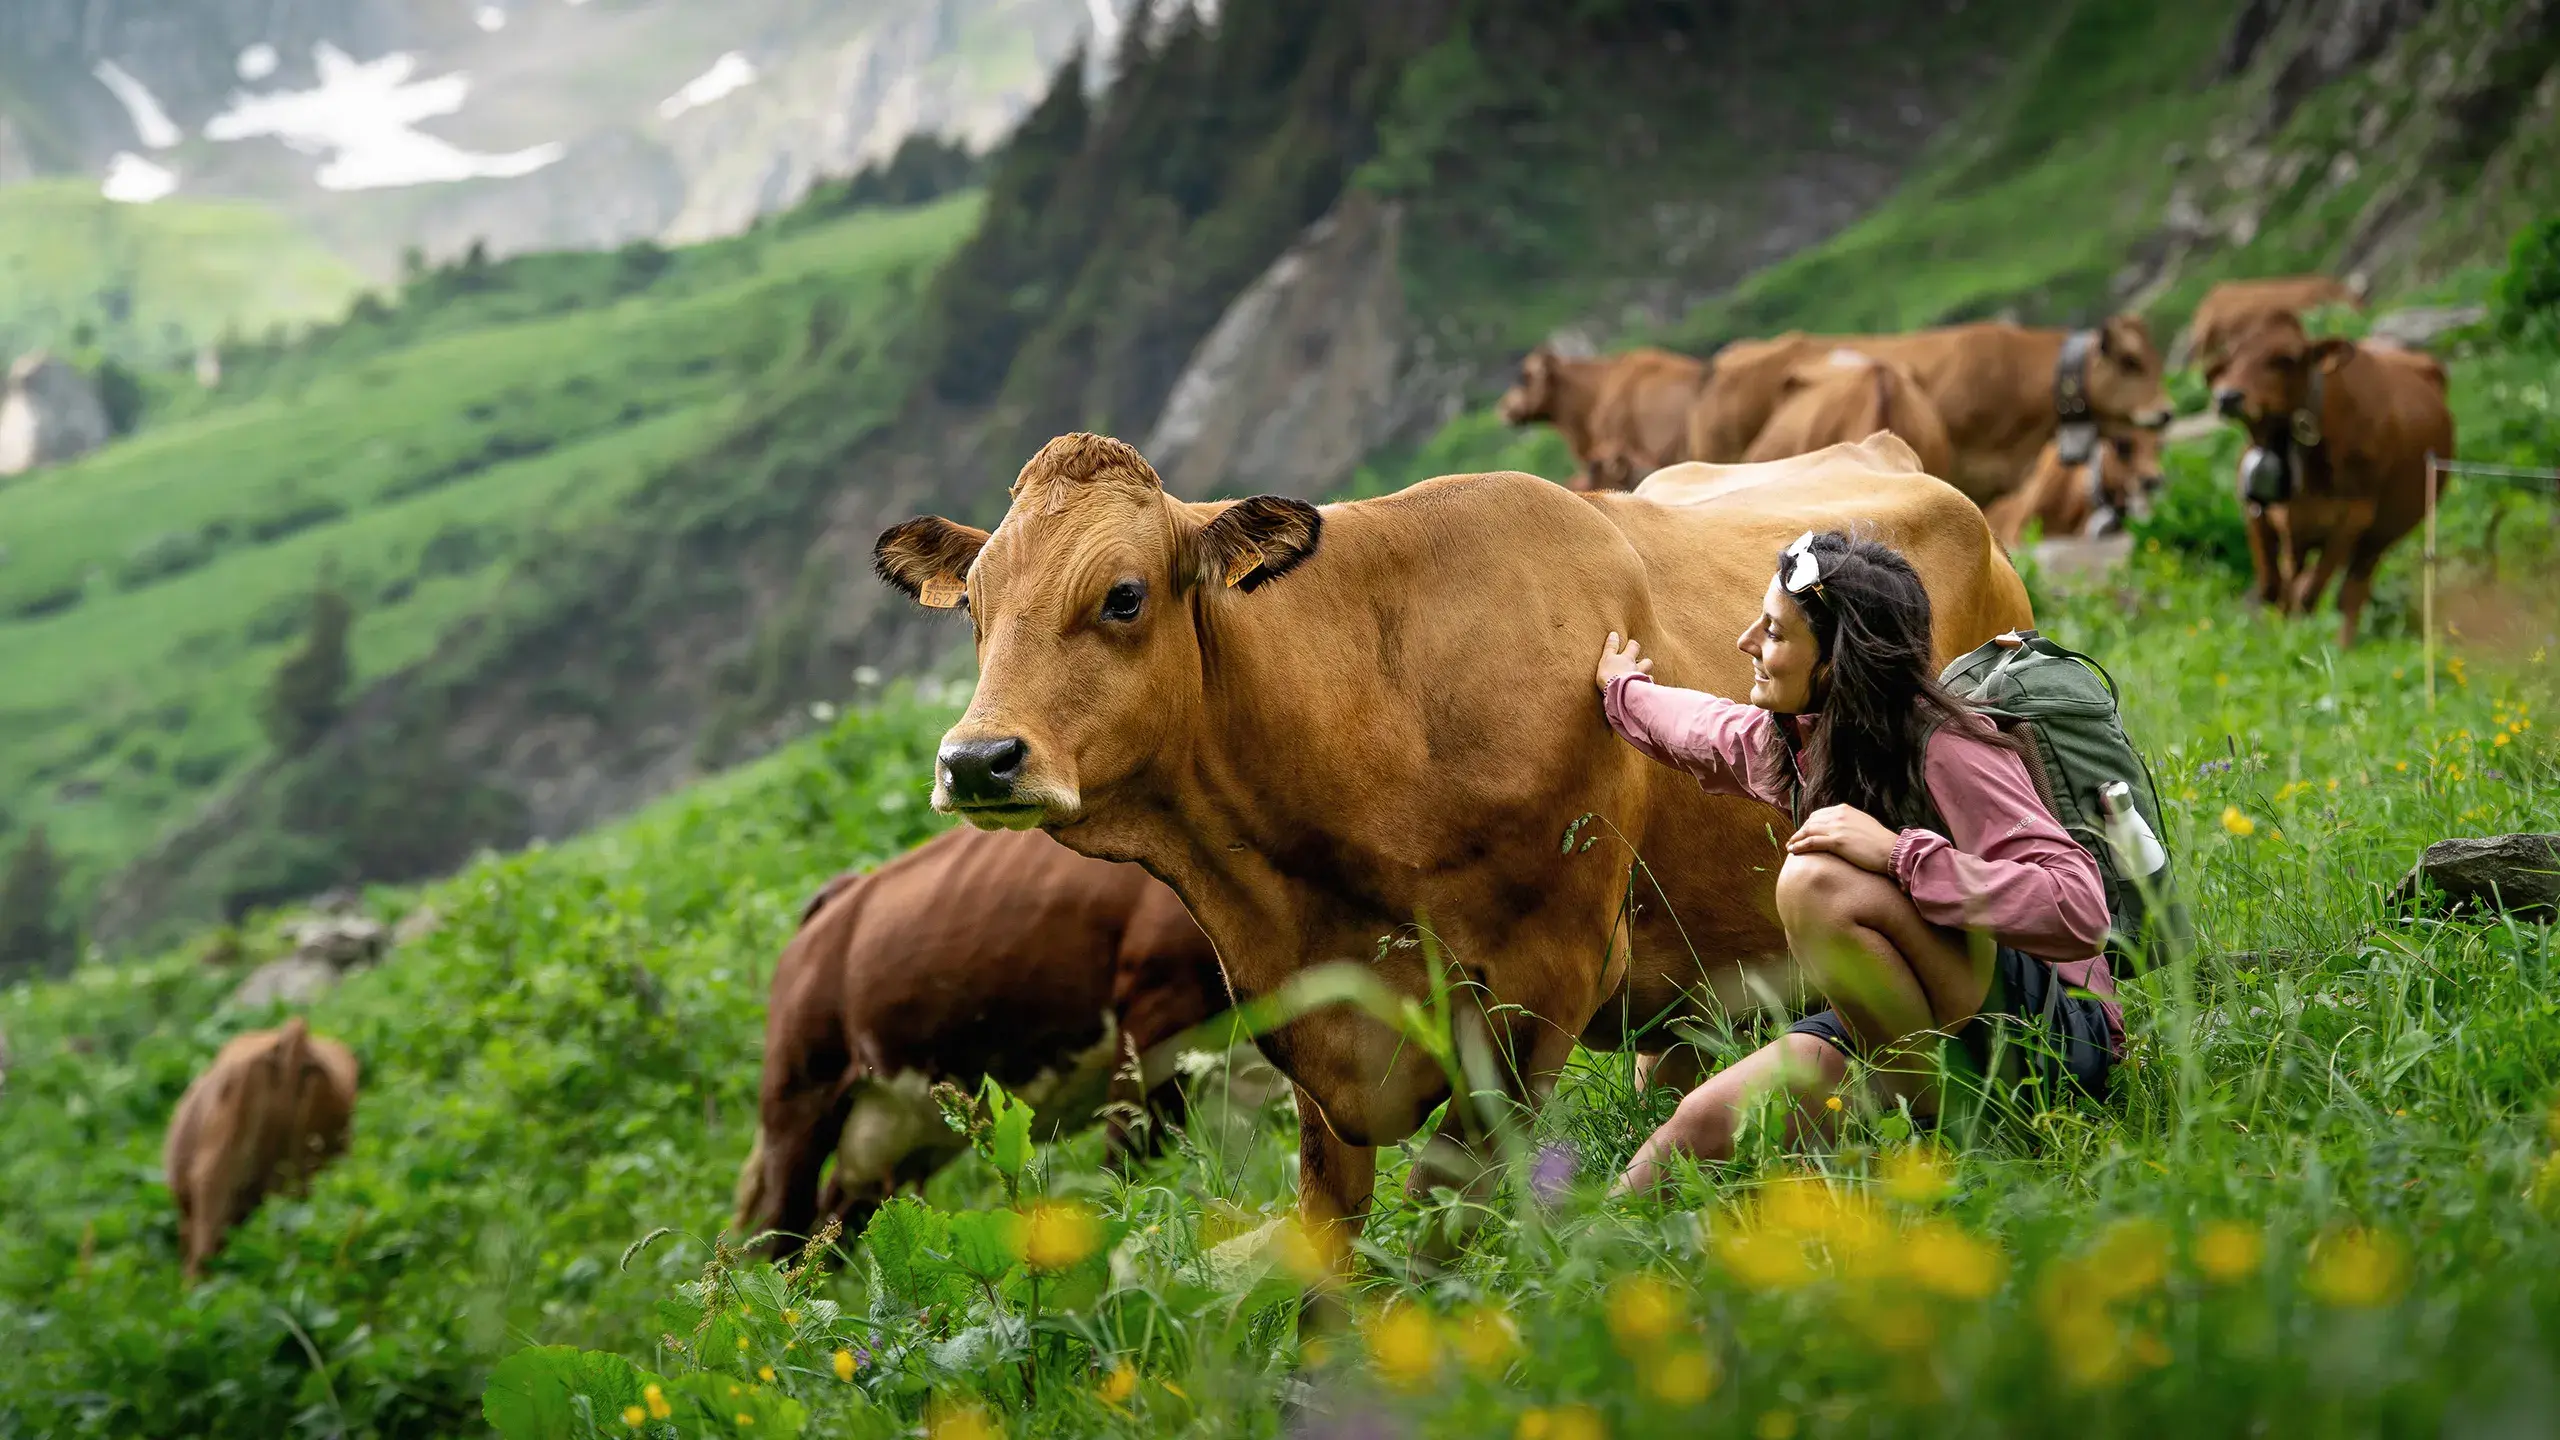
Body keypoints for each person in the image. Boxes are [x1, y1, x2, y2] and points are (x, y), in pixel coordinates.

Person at [1597, 530, 2118, 1194]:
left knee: (1815, 883)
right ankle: (1577, 1261)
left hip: (2051, 1033)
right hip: (1911, 1020)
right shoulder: (1807, 743)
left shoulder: (1948, 749)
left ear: (1835, 663)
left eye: (1777, 633)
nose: (1747, 642)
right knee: (1691, 1135)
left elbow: (2079, 909)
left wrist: (1900, 856)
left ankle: (1956, 1143)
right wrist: (1625, 693)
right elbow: (1705, 730)